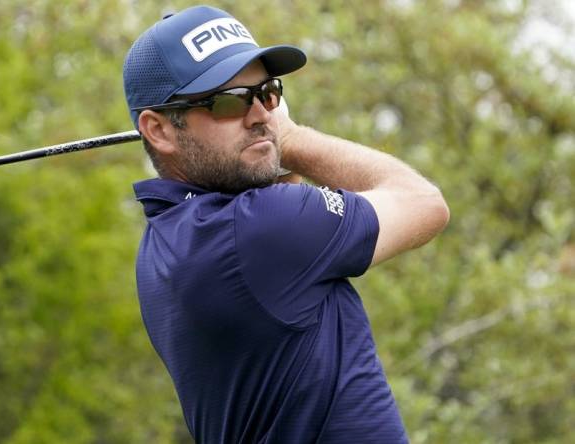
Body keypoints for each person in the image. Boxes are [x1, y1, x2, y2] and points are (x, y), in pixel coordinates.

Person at [122, 5, 449, 443]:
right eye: (227, 102)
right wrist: (290, 139)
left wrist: (267, 148)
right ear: (158, 131)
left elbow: (276, 199)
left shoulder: (165, 241)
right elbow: (423, 202)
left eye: (266, 93)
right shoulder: (257, 231)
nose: (260, 116)